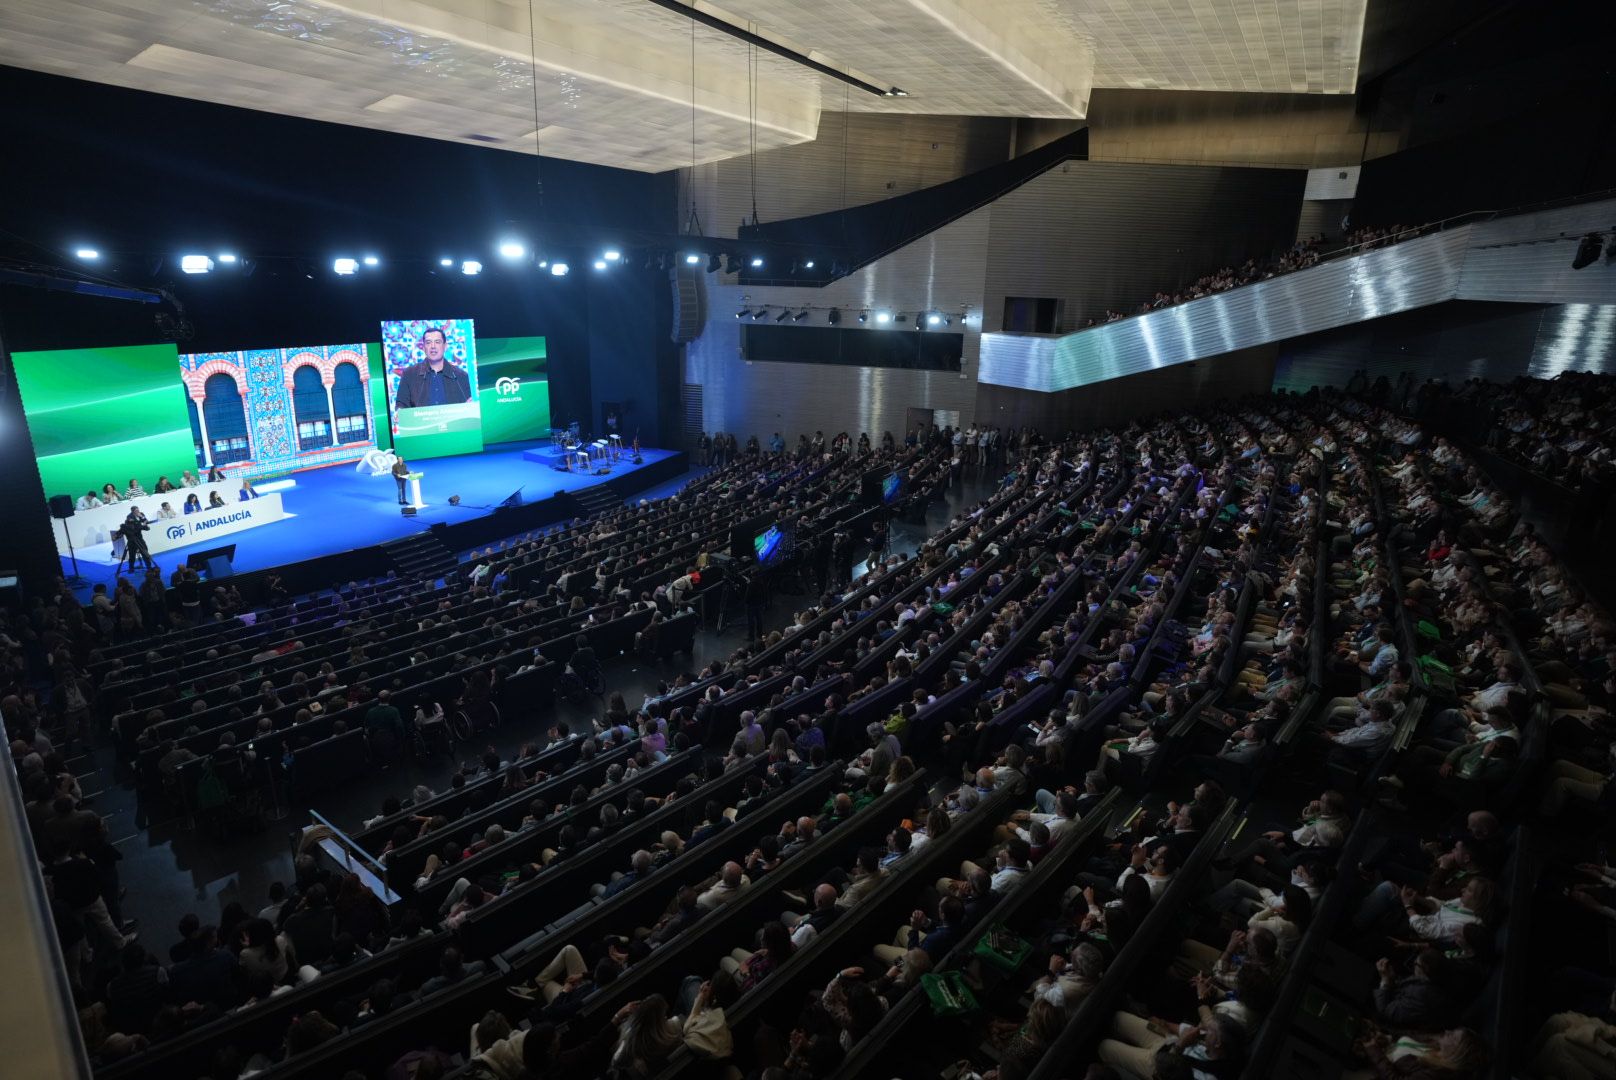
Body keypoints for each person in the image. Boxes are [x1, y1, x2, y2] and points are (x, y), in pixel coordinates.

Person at [394, 326, 472, 408]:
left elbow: (468, 407)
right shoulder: (409, 374)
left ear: (445, 346)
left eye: (437, 342)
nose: (433, 346)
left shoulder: (461, 376)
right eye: (428, 342)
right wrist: (398, 413)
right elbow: (401, 405)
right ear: (423, 348)